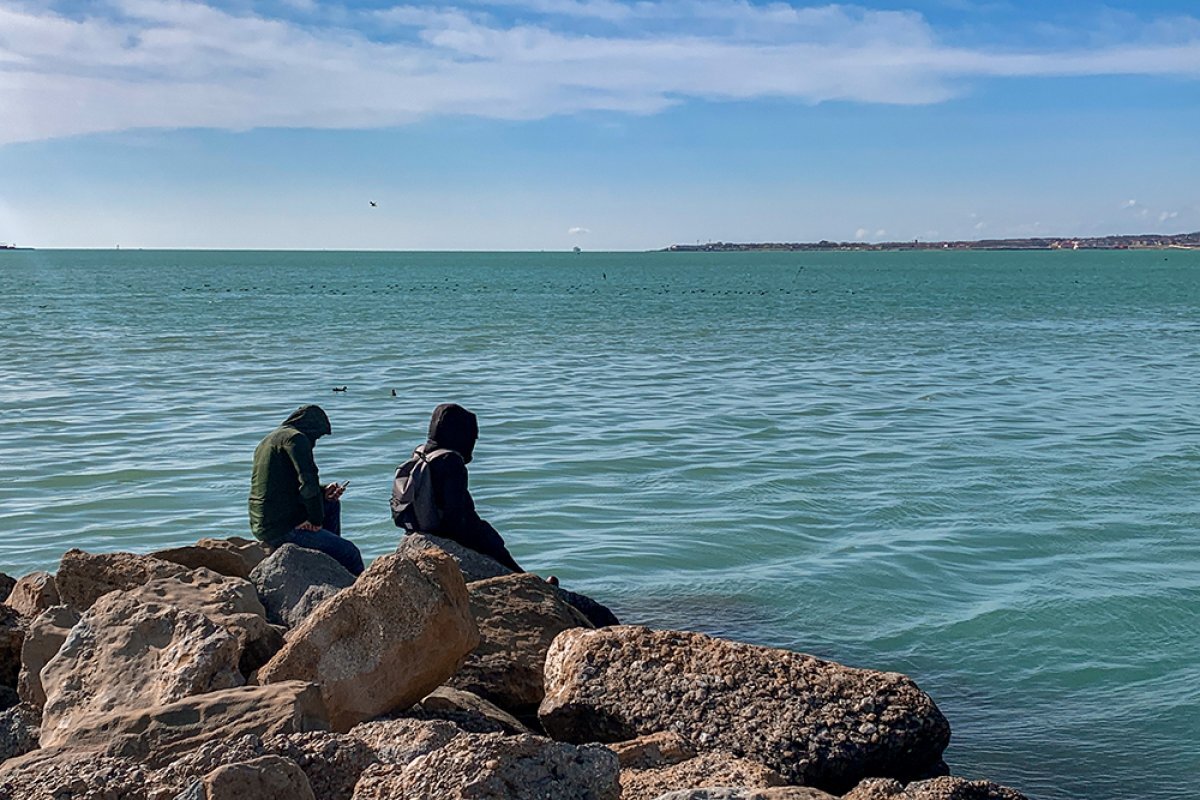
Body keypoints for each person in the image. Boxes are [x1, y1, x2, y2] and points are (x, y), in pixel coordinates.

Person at [393, 403, 523, 573]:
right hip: (444, 530)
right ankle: (525, 579)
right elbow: (455, 514)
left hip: (421, 525)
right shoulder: (450, 461)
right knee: (490, 538)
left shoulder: (421, 453)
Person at [248, 404, 364, 576]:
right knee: (350, 552)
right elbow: (308, 483)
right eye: (316, 436)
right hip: (280, 528)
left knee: (331, 503)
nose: (315, 442)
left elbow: (284, 486)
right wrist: (315, 521)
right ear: (310, 428)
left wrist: (323, 491)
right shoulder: (296, 439)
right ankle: (358, 594)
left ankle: (327, 559)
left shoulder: (269, 440)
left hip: (264, 522)